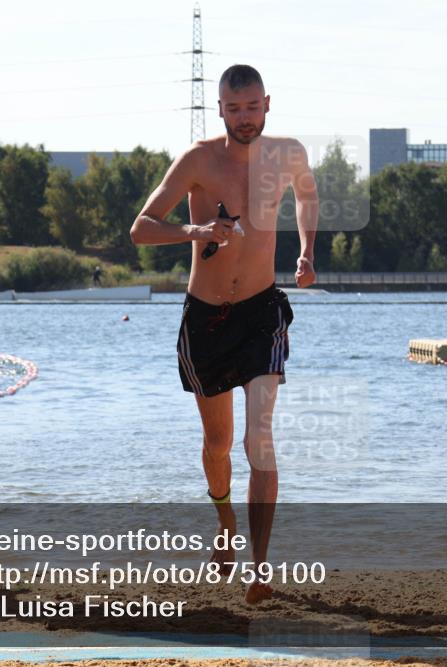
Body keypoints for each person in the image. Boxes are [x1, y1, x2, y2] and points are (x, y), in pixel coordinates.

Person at [130, 64, 318, 604]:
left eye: (252, 107)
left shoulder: (289, 154)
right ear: (220, 109)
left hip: (262, 313)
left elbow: (307, 197)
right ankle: (225, 520)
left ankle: (260, 568)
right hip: (206, 318)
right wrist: (196, 230)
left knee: (259, 438)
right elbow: (141, 227)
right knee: (217, 444)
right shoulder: (197, 159)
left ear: (267, 104)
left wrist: (306, 250)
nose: (244, 118)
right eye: (234, 109)